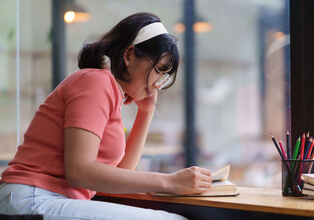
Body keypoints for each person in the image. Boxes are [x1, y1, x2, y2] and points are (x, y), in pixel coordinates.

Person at [0, 12, 212, 220]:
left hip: (46, 199)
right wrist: (169, 182)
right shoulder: (96, 81)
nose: (158, 83)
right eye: (158, 70)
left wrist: (145, 113)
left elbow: (121, 173)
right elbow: (80, 171)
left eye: (164, 77)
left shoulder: (108, 90)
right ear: (129, 56)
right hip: (33, 197)